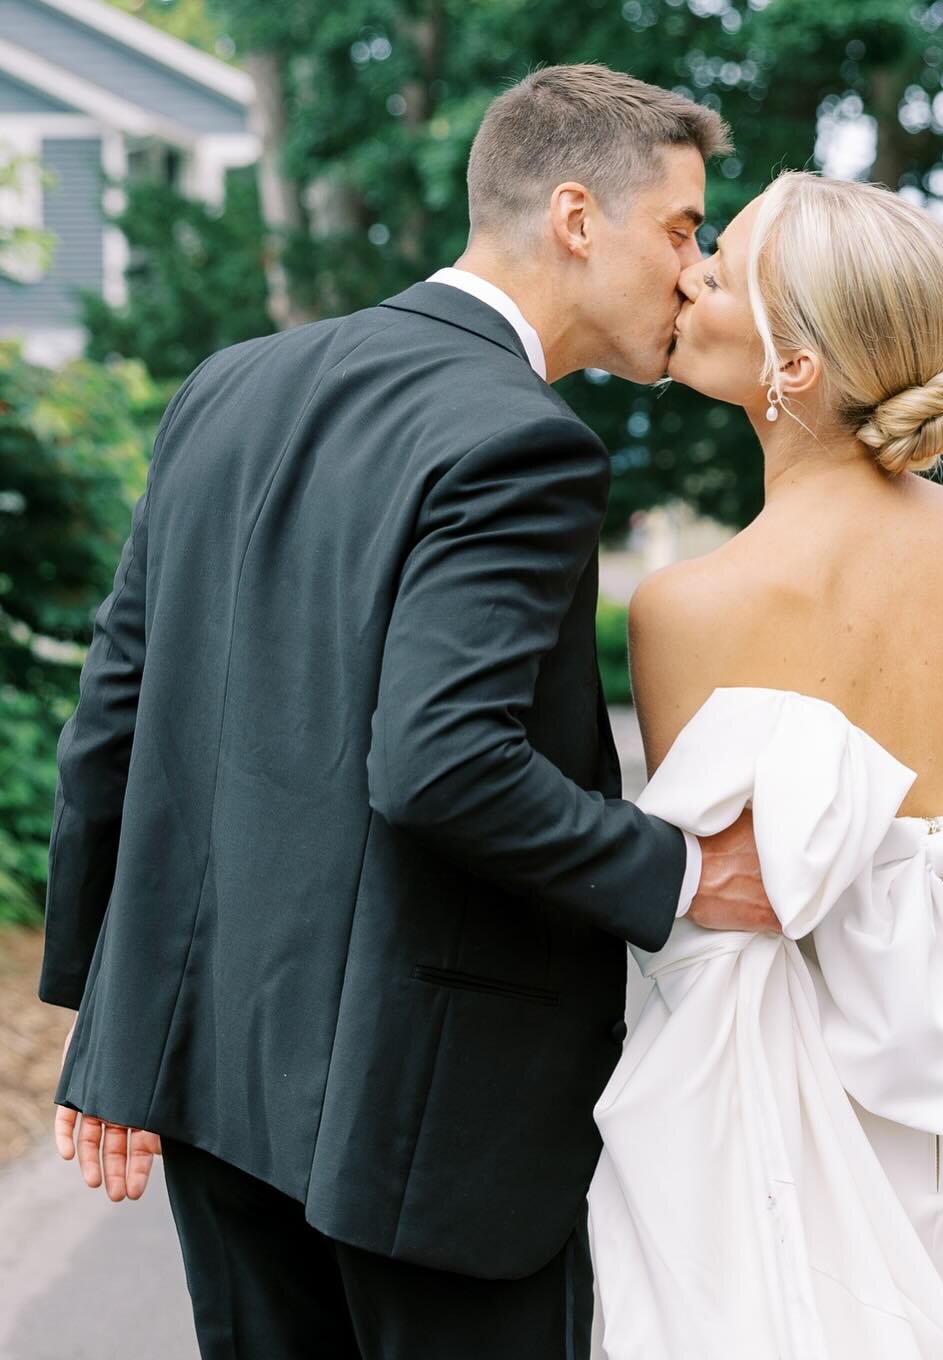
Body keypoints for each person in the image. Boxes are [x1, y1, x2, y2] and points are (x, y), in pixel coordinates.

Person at [39, 64, 779, 1360]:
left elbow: (114, 718)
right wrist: (680, 875)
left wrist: (111, 1028)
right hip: (431, 1120)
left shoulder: (229, 386)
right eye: (680, 227)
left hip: (217, 1089)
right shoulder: (521, 439)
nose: (693, 268)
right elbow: (442, 762)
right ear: (573, 217)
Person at [587, 171, 943, 1359]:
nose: (688, 271)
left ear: (793, 368)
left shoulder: (684, 610)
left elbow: (713, 928)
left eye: (721, 258)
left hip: (806, 1125)